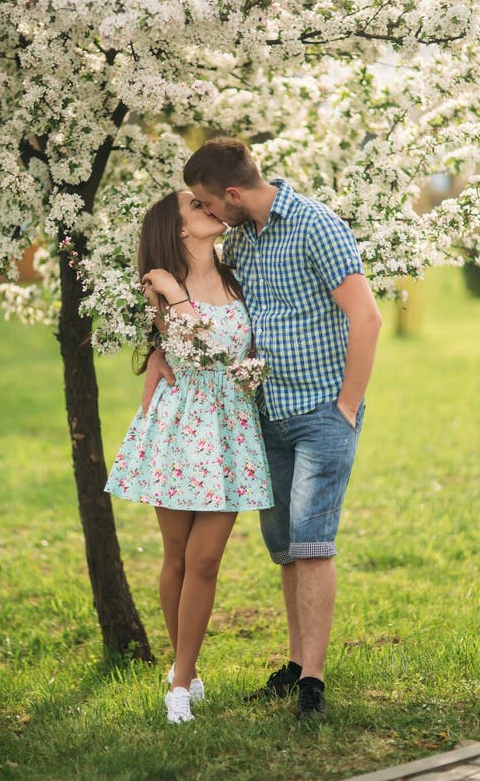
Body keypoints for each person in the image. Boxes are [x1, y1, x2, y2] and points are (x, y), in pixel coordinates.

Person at [143, 137, 382, 722]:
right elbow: (207, 324)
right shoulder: (241, 241)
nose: (206, 211)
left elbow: (367, 316)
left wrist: (347, 406)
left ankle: (313, 684)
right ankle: (295, 665)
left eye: (205, 201)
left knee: (312, 543)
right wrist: (159, 348)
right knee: (285, 549)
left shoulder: (316, 226)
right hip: (262, 416)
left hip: (321, 410)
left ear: (230, 193)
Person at [105, 189, 273, 724]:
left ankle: (179, 681)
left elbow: (233, 349)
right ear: (178, 229)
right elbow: (199, 347)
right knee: (176, 554)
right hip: (180, 425)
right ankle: (186, 675)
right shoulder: (159, 283)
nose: (208, 207)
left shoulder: (236, 274)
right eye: (195, 207)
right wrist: (176, 298)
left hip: (230, 430)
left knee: (205, 559)